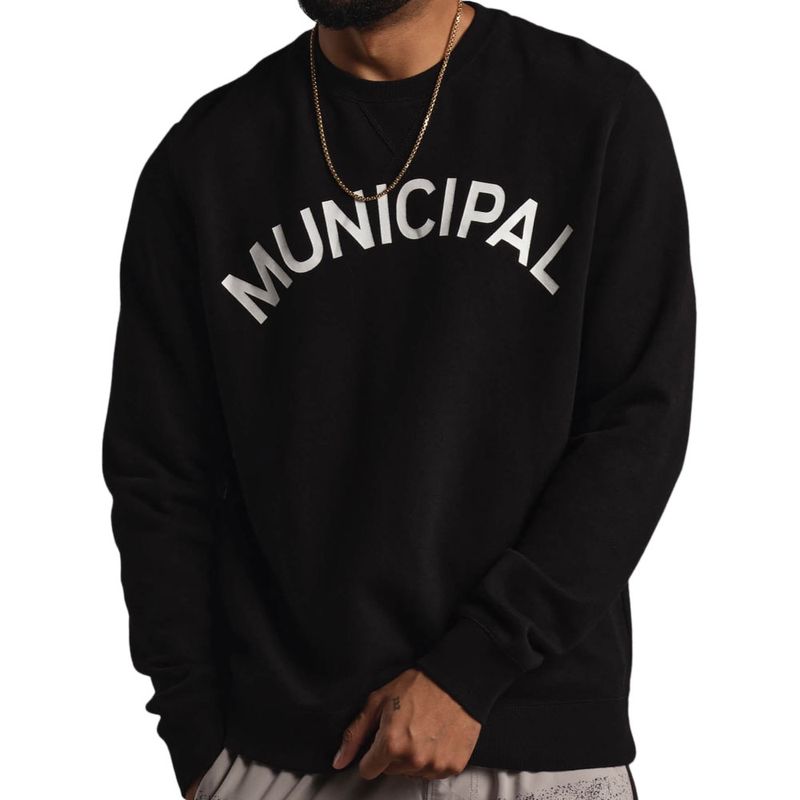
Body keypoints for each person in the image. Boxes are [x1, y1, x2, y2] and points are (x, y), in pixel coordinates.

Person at [101, 0, 695, 798]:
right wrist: (199, 746)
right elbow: (159, 473)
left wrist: (476, 665)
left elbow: (636, 426)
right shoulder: (207, 160)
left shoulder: (593, 113)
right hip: (285, 756)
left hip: (533, 740)